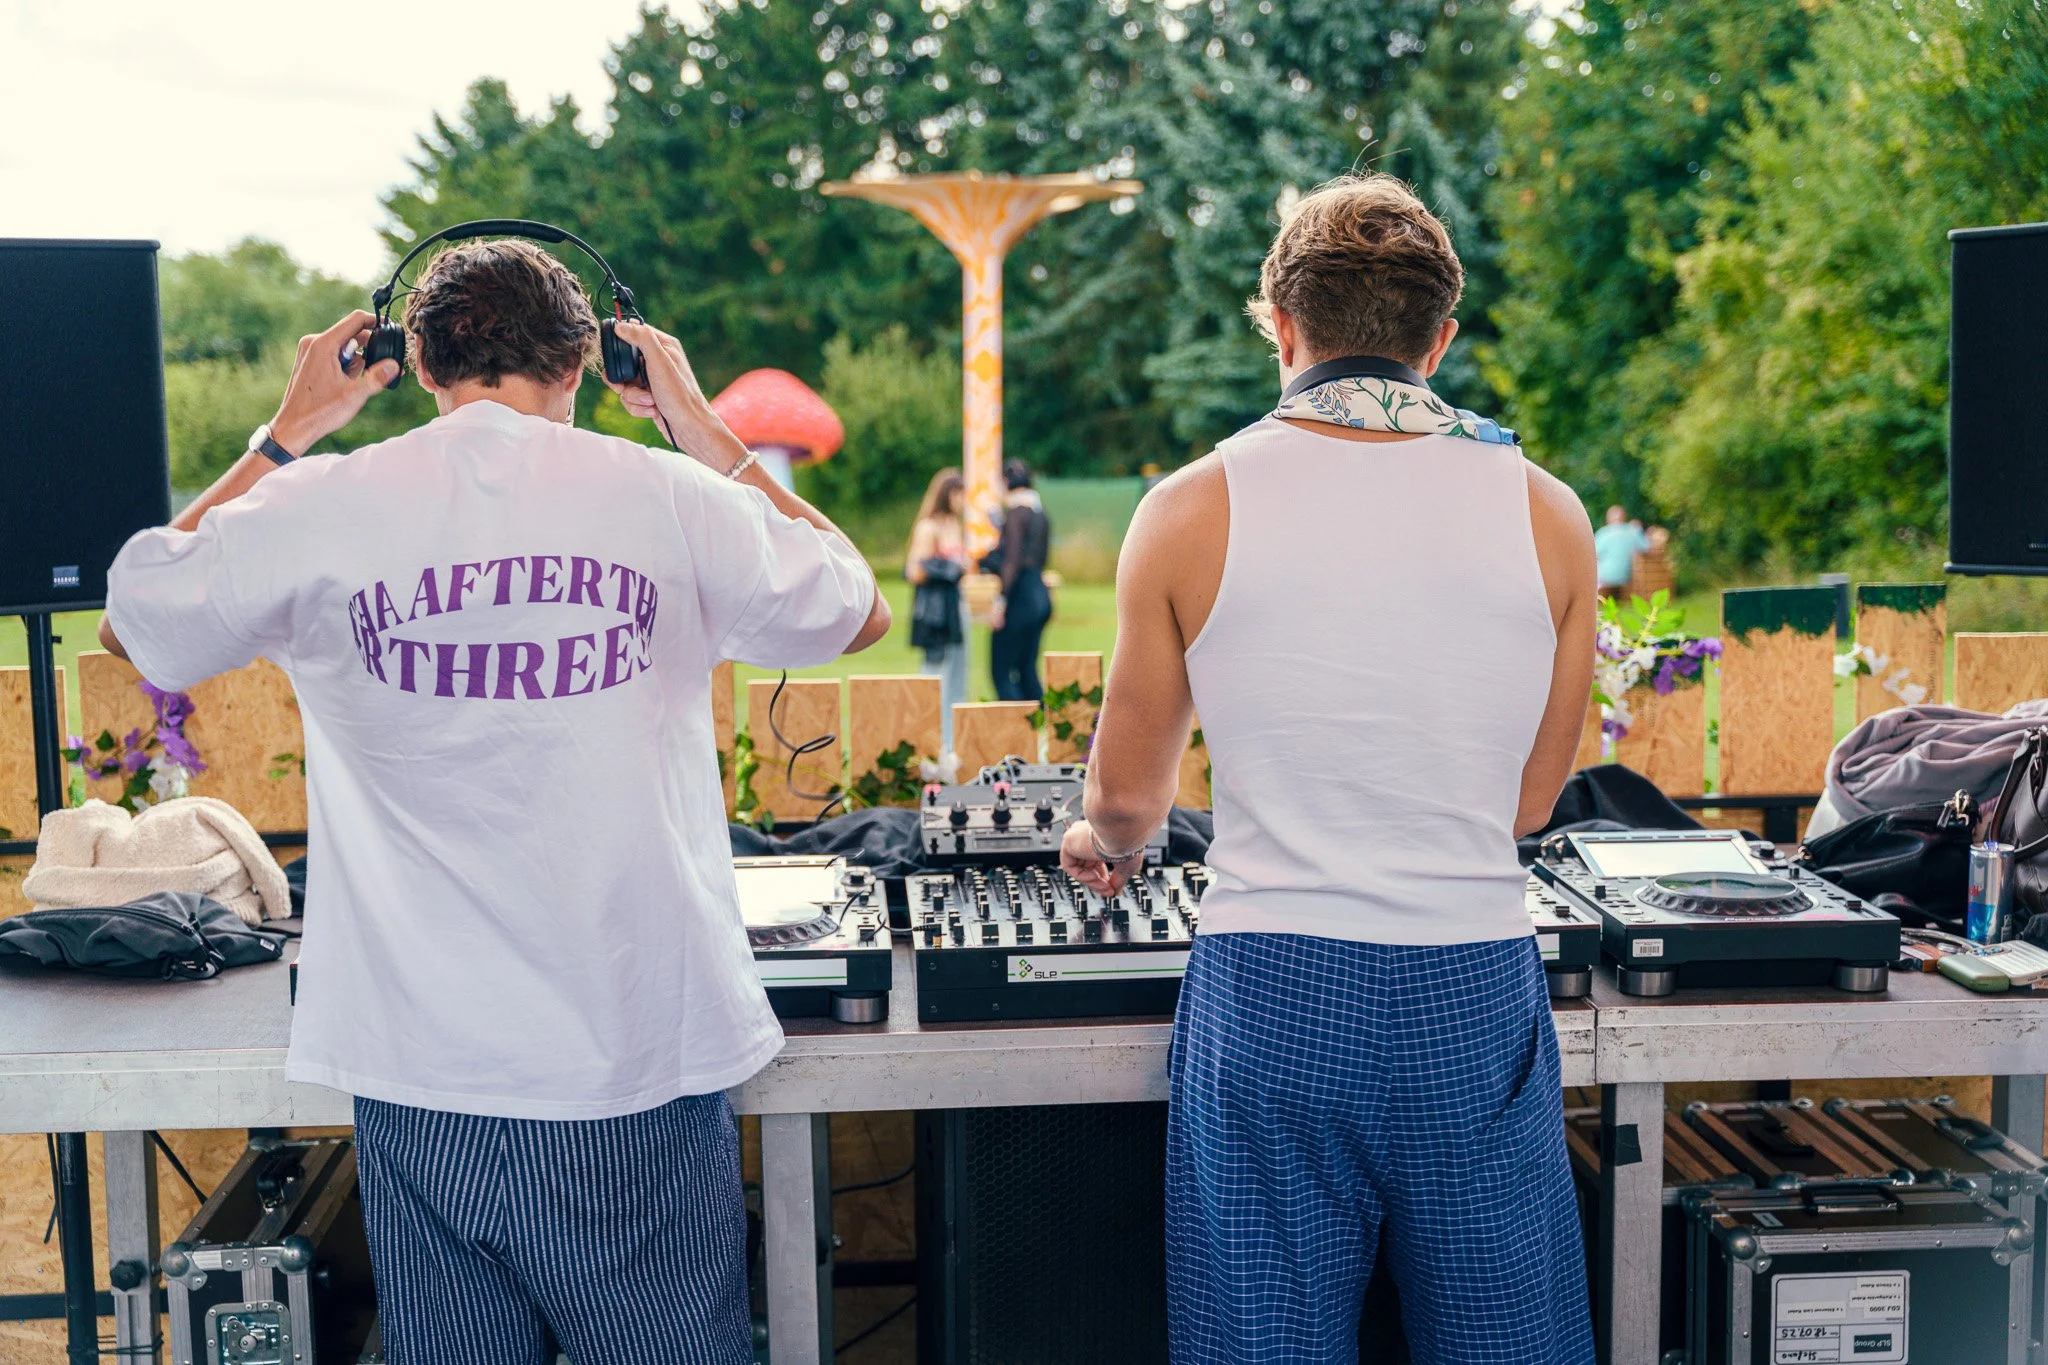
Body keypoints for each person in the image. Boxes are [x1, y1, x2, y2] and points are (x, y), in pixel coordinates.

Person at [98, 238, 889, 1365]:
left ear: (413, 360)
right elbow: (853, 611)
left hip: (420, 1075)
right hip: (630, 1060)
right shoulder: (667, 492)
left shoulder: (323, 501)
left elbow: (137, 621)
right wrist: (697, 425)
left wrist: (289, 431)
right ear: (588, 356)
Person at [1061, 174, 1598, 1363]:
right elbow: (1522, 804)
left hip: (1271, 991)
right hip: (1471, 989)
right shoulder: (1550, 514)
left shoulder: (1186, 507)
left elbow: (1124, 801)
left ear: (1280, 324)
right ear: (1439, 338)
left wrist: (1104, 844)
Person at [906, 467, 969, 748]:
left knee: (958, 671)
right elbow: (914, 571)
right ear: (949, 494)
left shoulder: (955, 526)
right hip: (935, 611)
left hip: (956, 606)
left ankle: (953, 741)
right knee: (935, 674)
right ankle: (930, 740)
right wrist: (948, 568)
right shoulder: (928, 528)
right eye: (960, 494)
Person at [986, 458, 1052, 701]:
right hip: (1040, 598)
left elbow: (1012, 561)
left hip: (1020, 599)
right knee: (1027, 670)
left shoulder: (1016, 513)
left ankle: (1016, 736)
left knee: (1001, 672)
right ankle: (1041, 731)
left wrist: (1000, 602)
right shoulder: (1040, 513)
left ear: (1005, 483)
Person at [1593, 503, 1651, 600]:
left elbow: (1594, 554)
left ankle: (1596, 598)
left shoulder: (1603, 533)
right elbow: (1646, 548)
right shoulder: (1633, 531)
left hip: (1604, 576)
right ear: (1624, 517)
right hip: (1627, 575)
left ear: (1608, 519)